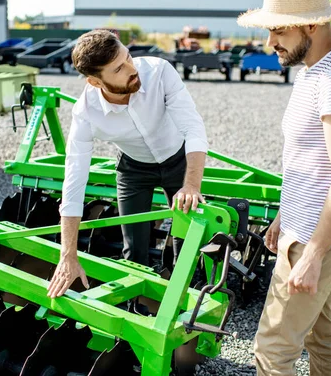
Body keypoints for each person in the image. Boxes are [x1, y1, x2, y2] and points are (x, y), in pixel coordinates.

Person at [236, 0, 331, 375]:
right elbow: (307, 160)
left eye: (279, 30)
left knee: (273, 347)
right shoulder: (316, 71)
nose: (270, 43)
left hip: (318, 238)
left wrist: (313, 254)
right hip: (307, 228)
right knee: (319, 331)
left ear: (312, 24)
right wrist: (285, 215)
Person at [46, 30, 209, 298]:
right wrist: (68, 256)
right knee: (133, 250)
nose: (132, 69)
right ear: (95, 81)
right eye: (119, 68)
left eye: (128, 57)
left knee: (186, 244)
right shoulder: (85, 113)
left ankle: (186, 304)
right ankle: (139, 306)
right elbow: (74, 181)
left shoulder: (159, 72)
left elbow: (193, 128)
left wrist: (191, 185)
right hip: (133, 169)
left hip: (178, 162)